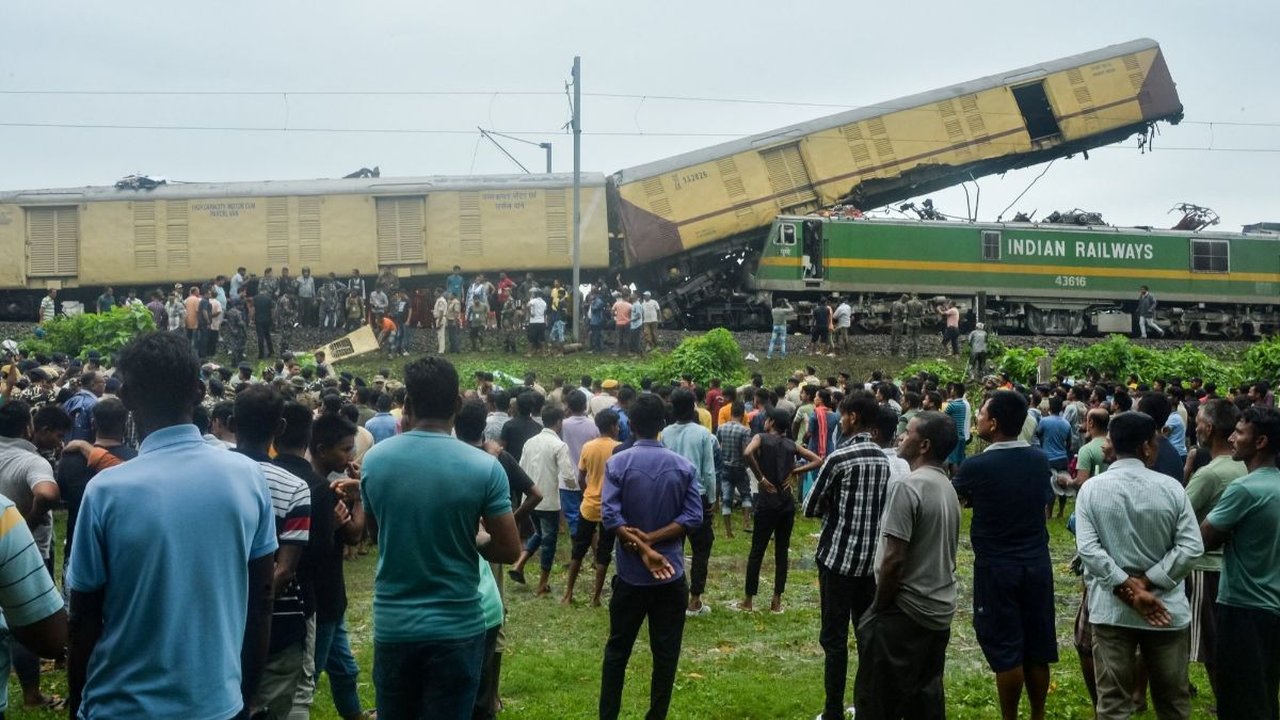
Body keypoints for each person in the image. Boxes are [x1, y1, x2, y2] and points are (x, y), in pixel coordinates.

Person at [67, 331, 277, 719]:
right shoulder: (248, 477)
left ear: (125, 396)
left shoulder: (106, 492)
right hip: (217, 703)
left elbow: (83, 618)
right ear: (199, 391)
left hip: (121, 706)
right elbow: (262, 600)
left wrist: (77, 704)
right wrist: (242, 698)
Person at [360, 357, 520, 719]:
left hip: (395, 624)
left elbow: (376, 534)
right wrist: (475, 539)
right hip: (457, 626)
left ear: (407, 404)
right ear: (458, 404)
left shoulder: (375, 461)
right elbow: (510, 549)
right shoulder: (484, 467)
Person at [1075, 411, 1202, 720]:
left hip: (1112, 609)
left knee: (1112, 703)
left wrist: (1126, 585)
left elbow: (1089, 550)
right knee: (1173, 702)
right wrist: (1147, 582)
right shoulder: (1172, 488)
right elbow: (1191, 547)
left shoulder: (1092, 489)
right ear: (1146, 447)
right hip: (1165, 609)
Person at [952, 390, 1057, 720]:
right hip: (1037, 563)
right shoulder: (1039, 459)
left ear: (994, 423)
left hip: (997, 566)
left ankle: (1009, 717)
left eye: (982, 414)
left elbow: (956, 497)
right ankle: (1038, 714)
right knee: (1037, 648)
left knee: (1007, 649)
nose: (978, 419)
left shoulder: (977, 465)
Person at [599, 393, 704, 720]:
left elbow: (610, 517)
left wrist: (641, 544)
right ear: (663, 424)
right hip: (670, 574)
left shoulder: (618, 463)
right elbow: (694, 516)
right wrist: (653, 542)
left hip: (630, 576)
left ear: (630, 424)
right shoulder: (683, 467)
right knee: (666, 655)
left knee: (617, 651)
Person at [853, 411, 961, 719]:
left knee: (878, 700)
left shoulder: (908, 486)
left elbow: (894, 559)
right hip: (938, 610)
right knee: (923, 700)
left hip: (906, 612)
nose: (901, 436)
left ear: (924, 445)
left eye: (909, 432)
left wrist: (877, 608)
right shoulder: (946, 486)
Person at [803, 391, 891, 720]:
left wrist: (831, 504)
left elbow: (810, 506)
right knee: (866, 636)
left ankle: (833, 710)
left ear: (852, 417)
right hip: (869, 563)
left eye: (843, 415)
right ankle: (865, 706)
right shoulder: (882, 459)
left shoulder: (840, 458)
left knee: (834, 640)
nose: (840, 421)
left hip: (837, 561)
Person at [233, 386, 315, 720]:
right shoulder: (295, 487)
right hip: (279, 625)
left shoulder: (210, 478)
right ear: (280, 427)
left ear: (231, 423)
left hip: (216, 622)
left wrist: (228, 606)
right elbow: (285, 569)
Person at [1200, 405, 1280, 718]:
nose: (1231, 438)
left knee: (1239, 698)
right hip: (1273, 605)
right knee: (1265, 691)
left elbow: (1203, 538)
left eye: (1239, 432)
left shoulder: (1244, 489)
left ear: (1260, 442)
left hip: (1243, 605)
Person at [1181, 398, 1245, 703]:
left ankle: (1226, 704)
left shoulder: (1210, 474)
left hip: (1206, 567)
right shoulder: (1245, 466)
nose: (1195, 429)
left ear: (1208, 428)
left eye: (1198, 424)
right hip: (1235, 566)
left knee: (1210, 644)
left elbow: (1178, 512)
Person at [738, 407, 822, 613]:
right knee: (782, 552)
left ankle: (748, 600)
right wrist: (795, 471)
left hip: (767, 503)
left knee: (757, 550)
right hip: (786, 504)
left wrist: (760, 478)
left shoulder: (761, 437)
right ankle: (776, 601)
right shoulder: (790, 444)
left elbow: (747, 452)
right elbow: (818, 460)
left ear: (772, 422)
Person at [661, 389, 718, 617]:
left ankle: (672, 594)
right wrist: (712, 499)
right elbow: (708, 471)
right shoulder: (703, 434)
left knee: (673, 545)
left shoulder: (665, 433)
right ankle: (695, 599)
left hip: (672, 496)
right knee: (701, 548)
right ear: (693, 406)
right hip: (697, 495)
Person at [507, 407, 575, 596]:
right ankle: (542, 584)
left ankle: (519, 564)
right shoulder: (559, 445)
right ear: (559, 422)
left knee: (539, 533)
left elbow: (521, 468)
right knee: (549, 541)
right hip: (548, 500)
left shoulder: (530, 442)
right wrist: (573, 487)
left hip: (529, 500)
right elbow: (568, 475)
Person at [562, 409, 622, 607]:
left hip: (588, 505)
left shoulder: (588, 447)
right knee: (604, 552)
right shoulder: (619, 448)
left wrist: (586, 492)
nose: (618, 428)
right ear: (612, 426)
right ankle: (595, 597)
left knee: (578, 549)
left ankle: (568, 593)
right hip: (610, 507)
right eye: (617, 425)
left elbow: (581, 476)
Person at [715, 401, 753, 539]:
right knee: (746, 495)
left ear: (731, 413)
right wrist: (747, 465)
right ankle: (746, 522)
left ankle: (728, 531)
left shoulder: (721, 428)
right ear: (743, 414)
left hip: (725, 466)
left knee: (726, 499)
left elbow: (718, 446)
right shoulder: (745, 430)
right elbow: (746, 451)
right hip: (739, 466)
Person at [1037, 395, 1074, 519]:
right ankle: (1061, 512)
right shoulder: (1066, 423)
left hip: (1048, 458)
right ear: (1061, 408)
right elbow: (1069, 443)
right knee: (1063, 485)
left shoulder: (1044, 421)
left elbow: (1038, 434)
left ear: (1050, 408)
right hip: (1062, 458)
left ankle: (1049, 513)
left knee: (1050, 486)